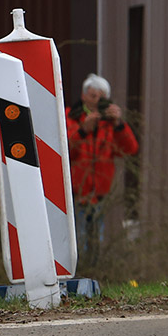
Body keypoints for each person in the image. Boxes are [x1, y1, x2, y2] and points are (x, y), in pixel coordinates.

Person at [66, 73, 139, 267]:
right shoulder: (71, 117)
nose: (97, 101)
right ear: (83, 96)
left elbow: (130, 149)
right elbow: (65, 151)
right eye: (93, 96)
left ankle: (94, 271)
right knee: (78, 239)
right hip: (76, 192)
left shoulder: (109, 123)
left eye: (102, 97)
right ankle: (78, 271)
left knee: (97, 239)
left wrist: (119, 125)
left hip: (99, 193)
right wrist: (83, 130)